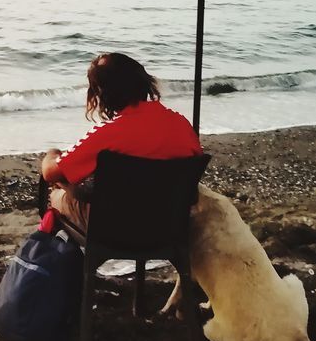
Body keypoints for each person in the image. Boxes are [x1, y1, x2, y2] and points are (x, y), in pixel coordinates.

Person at [40, 52, 202, 232]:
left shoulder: (108, 133)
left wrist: (52, 154)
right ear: (144, 82)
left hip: (116, 231)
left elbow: (50, 173)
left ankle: (58, 255)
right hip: (168, 228)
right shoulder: (181, 125)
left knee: (55, 194)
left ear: (101, 93)